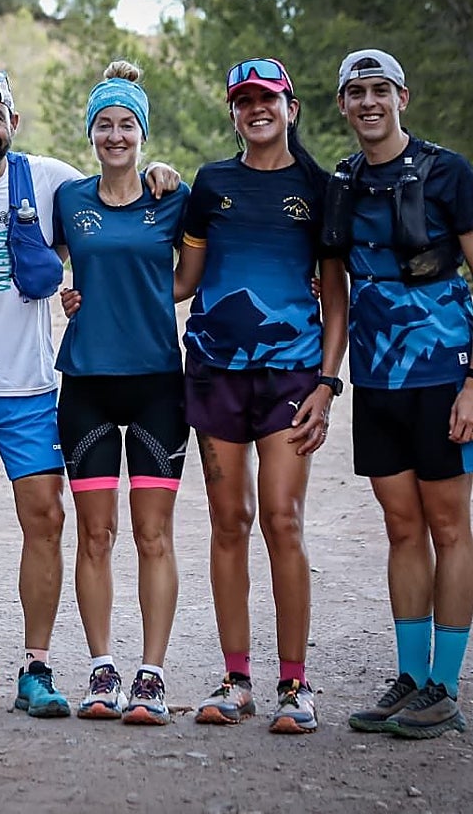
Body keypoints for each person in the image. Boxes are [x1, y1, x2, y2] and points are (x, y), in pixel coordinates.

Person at [0, 69, 179, 718]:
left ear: (13, 124)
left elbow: (116, 196)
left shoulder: (49, 178)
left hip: (28, 381)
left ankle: (37, 664)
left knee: (46, 518)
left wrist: (160, 168)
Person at [179, 58, 347, 734]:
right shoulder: (211, 183)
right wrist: (100, 294)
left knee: (282, 518)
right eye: (244, 100)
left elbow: (335, 294)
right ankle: (236, 678)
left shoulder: (321, 188)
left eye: (268, 99)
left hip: (291, 374)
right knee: (228, 521)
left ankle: (295, 684)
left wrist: (329, 384)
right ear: (232, 111)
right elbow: (183, 280)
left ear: (292, 107)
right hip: (215, 370)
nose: (257, 110)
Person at [331, 50, 473, 740]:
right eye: (355, 92)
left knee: (450, 527)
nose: (368, 102)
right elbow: (332, 285)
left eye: (379, 89)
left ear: (403, 97)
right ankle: (411, 678)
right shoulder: (343, 181)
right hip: (376, 383)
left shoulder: (449, 172)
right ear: (342, 106)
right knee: (401, 528)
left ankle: (446, 687)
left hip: (443, 379)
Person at [51, 61, 190, 725]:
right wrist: (65, 292)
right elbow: (40, 264)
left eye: (126, 125)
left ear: (142, 134)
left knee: (153, 535)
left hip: (159, 384)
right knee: (95, 535)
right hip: (86, 386)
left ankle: (153, 675)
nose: (114, 135)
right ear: (90, 133)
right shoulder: (69, 200)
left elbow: (193, 278)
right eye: (103, 124)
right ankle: (103, 669)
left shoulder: (172, 196)